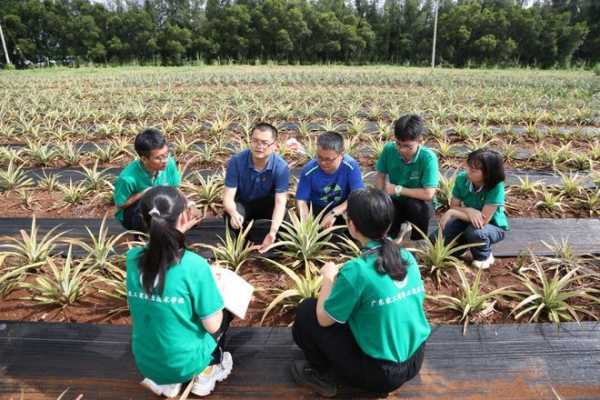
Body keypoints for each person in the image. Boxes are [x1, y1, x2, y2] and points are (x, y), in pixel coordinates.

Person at [291, 188, 430, 397]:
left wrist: (328, 278)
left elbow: (323, 319)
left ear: (352, 226)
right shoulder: (406, 256)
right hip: (415, 359)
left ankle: (322, 376)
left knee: (306, 312)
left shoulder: (357, 270)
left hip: (380, 374)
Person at [126, 186, 233, 398]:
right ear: (184, 217)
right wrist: (214, 289)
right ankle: (207, 371)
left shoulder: (132, 259)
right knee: (223, 311)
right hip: (184, 362)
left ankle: (167, 382)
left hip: (146, 362)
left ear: (143, 220)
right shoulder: (194, 265)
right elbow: (212, 325)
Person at [435, 148, 508, 269]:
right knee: (436, 240)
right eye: (468, 167)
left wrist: (454, 212)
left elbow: (482, 221)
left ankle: (484, 256)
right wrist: (468, 210)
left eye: (473, 170)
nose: (468, 171)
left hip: (492, 226)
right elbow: (454, 206)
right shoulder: (462, 179)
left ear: (488, 173)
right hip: (466, 220)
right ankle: (463, 245)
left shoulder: (496, 187)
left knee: (475, 232)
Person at [223, 122, 289, 252]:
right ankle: (239, 245)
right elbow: (228, 197)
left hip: (266, 204)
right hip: (244, 203)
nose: (259, 146)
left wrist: (273, 232)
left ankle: (274, 242)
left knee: (284, 216)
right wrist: (233, 213)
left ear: (275, 145)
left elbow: (280, 203)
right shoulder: (236, 161)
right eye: (255, 141)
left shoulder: (281, 167)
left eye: (265, 142)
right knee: (230, 216)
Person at [375, 114, 439, 240]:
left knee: (415, 207)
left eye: (408, 146)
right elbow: (380, 176)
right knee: (387, 213)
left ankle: (418, 240)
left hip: (421, 204)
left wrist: (398, 189)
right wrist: (379, 198)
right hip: (397, 201)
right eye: (398, 144)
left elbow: (428, 194)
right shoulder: (389, 150)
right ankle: (395, 233)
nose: (402, 150)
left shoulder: (428, 158)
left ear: (420, 140)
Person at [114, 128, 181, 232]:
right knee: (145, 204)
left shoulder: (170, 163)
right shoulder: (127, 178)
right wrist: (143, 193)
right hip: (134, 215)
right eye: (158, 158)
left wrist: (189, 204)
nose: (165, 161)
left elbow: (175, 189)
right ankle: (141, 235)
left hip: (159, 207)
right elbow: (120, 204)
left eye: (166, 155)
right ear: (144, 159)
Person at [296, 131, 364, 228]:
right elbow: (301, 200)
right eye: (319, 157)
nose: (323, 163)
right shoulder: (309, 170)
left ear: (341, 155)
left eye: (329, 159)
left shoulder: (350, 166)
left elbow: (357, 194)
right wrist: (307, 224)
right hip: (317, 209)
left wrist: (334, 212)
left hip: (342, 208)